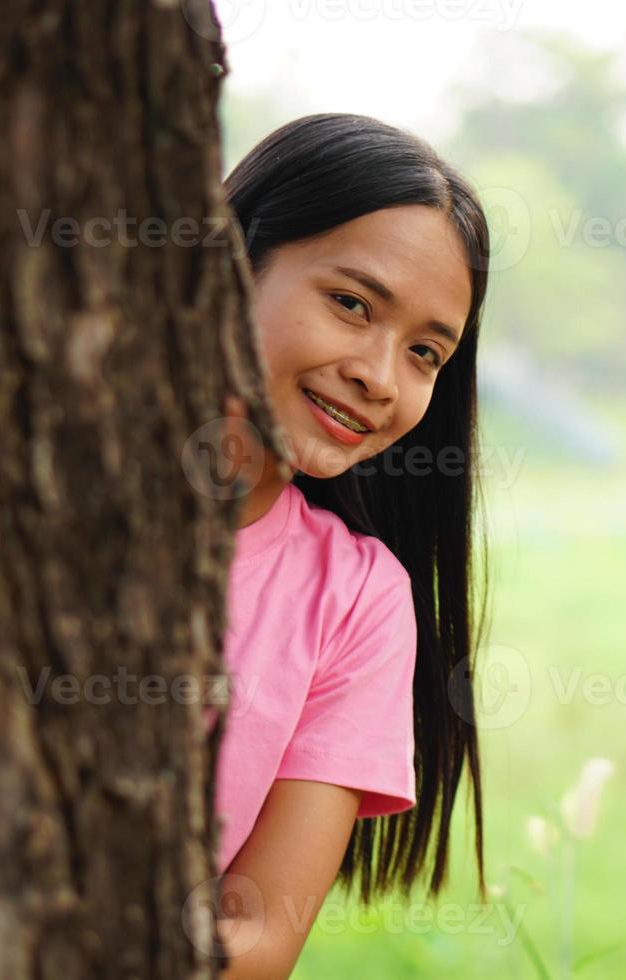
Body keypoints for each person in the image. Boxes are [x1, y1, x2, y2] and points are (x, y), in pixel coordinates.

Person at [210, 113, 490, 979]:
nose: (379, 374)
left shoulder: (358, 599)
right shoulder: (15, 506)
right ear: (228, 269)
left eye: (425, 353)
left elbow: (257, 940)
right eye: (351, 304)